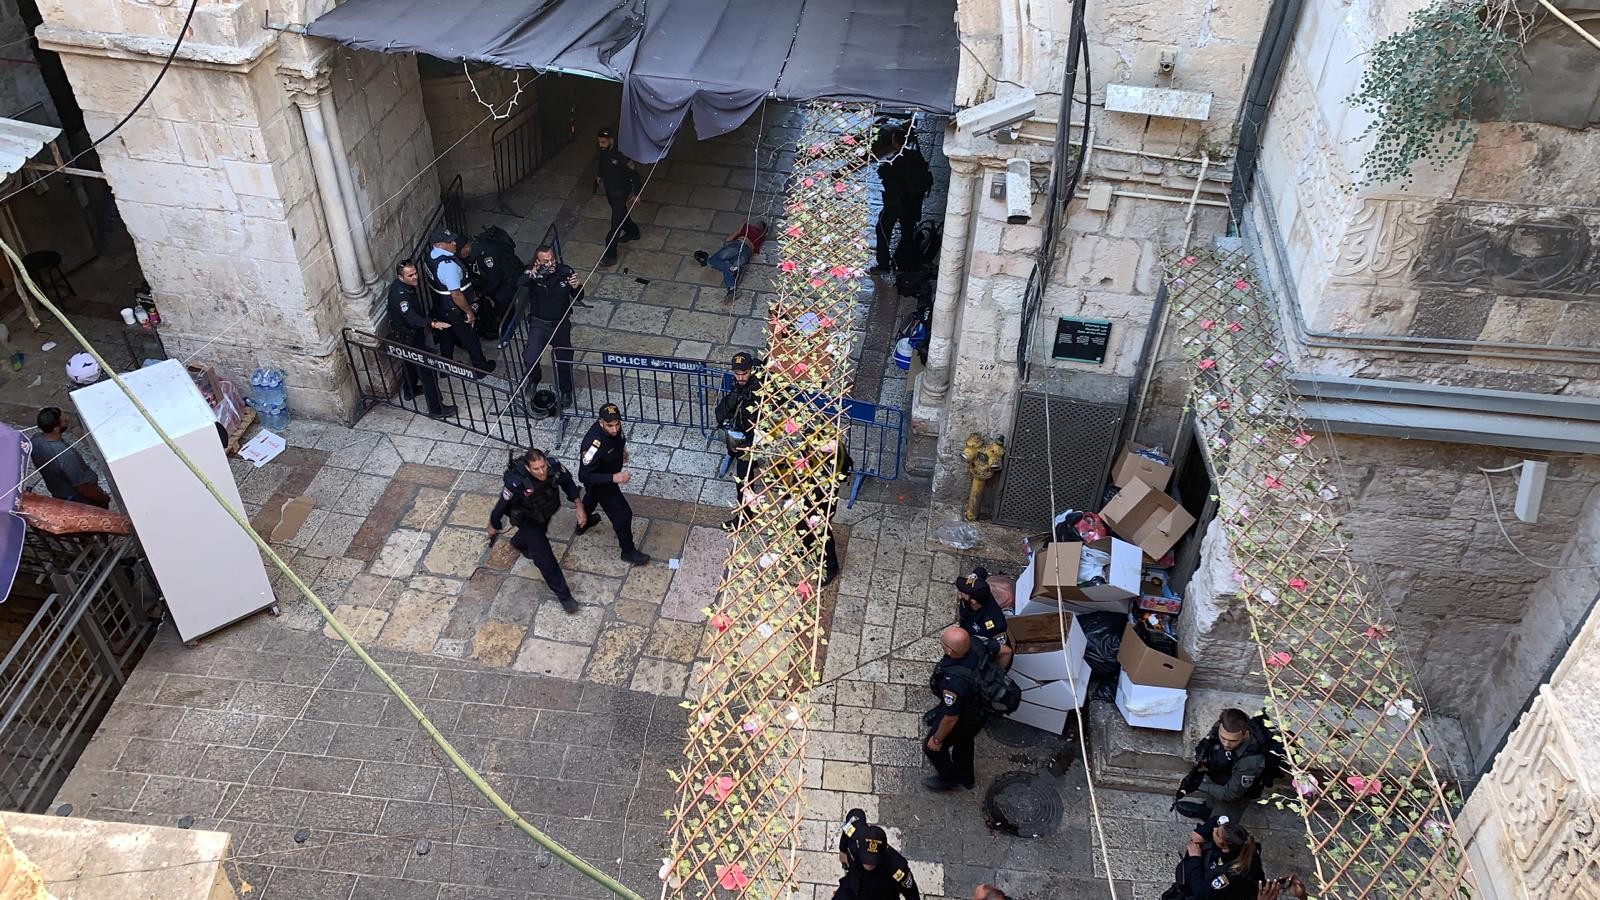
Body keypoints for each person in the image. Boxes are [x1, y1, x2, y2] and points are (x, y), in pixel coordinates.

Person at [487, 448, 586, 613]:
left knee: (537, 533)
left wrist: (579, 505)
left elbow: (568, 482)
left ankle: (518, 542)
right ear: (528, 468)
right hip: (527, 518)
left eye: (543, 466)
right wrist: (494, 524)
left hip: (546, 510)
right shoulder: (516, 482)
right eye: (536, 469)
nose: (541, 472)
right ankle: (564, 596)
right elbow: (502, 504)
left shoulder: (554, 467)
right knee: (544, 557)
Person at [575, 403, 651, 566]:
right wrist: (613, 478)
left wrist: (621, 452)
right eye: (610, 426)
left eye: (617, 424)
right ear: (601, 422)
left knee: (591, 498)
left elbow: (617, 441)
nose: (615, 429)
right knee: (623, 514)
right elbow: (584, 475)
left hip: (608, 475)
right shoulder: (593, 445)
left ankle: (583, 522)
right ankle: (628, 551)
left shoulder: (615, 430)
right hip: (601, 482)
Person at [385, 259, 458, 419]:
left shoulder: (403, 287)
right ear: (400, 277)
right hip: (408, 336)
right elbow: (411, 317)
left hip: (409, 335)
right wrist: (432, 323)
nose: (415, 277)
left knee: (409, 362)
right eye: (410, 275)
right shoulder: (401, 295)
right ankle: (436, 408)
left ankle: (410, 390)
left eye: (415, 273)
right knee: (427, 371)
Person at [513, 245, 581, 410]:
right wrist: (532, 274)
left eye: (552, 259)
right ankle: (534, 378)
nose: (550, 264)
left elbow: (579, 296)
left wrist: (577, 286)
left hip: (560, 324)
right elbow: (520, 282)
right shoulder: (532, 273)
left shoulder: (565, 271)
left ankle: (566, 391)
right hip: (539, 324)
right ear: (537, 261)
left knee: (564, 359)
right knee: (530, 356)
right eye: (546, 261)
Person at [1176, 708, 1273, 822]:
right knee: (1213, 783)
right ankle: (1208, 809)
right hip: (1226, 771)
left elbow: (1230, 794)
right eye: (1223, 738)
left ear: (1245, 734)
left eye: (1233, 741)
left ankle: (1217, 817)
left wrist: (1197, 784)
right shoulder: (1222, 726)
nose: (1226, 744)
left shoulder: (1251, 761)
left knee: (1220, 825)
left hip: (1239, 790)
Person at [422, 227, 497, 374]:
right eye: (449, 242)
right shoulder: (447, 266)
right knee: (470, 337)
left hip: (440, 306)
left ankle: (445, 367)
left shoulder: (430, 257)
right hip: (455, 309)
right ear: (439, 245)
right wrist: (469, 312)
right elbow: (456, 294)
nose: (454, 243)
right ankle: (480, 367)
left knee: (445, 336)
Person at [923, 626, 986, 792]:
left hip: (964, 715)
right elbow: (1005, 652)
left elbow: (951, 718)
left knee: (931, 749)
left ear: (950, 651)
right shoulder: (977, 644)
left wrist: (937, 740)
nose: (941, 644)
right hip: (979, 709)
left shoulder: (954, 682)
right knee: (964, 742)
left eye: (943, 643)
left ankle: (949, 779)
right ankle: (967, 778)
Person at [873, 128, 932, 274]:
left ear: (895, 142)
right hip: (912, 202)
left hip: (896, 202)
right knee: (907, 232)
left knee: (883, 230)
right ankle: (903, 263)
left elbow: (884, 174)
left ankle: (883, 264)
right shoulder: (916, 157)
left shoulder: (894, 163)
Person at [1162, 815, 1265, 900]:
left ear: (1224, 846)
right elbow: (1220, 818)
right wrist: (1201, 832)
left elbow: (1201, 894)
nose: (1214, 829)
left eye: (1216, 833)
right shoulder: (1242, 846)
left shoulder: (1230, 876)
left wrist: (1195, 859)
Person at [29, 407, 110, 507]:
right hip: (82, 501)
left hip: (59, 493)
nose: (67, 418)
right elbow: (83, 487)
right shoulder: (66, 456)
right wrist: (103, 498)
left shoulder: (35, 440)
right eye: (64, 420)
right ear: (56, 429)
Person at [832, 822, 920, 900]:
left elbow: (912, 894)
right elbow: (850, 822)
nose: (869, 865)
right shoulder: (855, 837)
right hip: (852, 888)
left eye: (873, 860)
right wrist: (842, 850)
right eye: (866, 859)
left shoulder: (896, 867)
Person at [594, 127, 641, 266]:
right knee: (621, 214)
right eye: (600, 142)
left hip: (621, 192)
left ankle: (610, 256)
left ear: (611, 140)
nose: (601, 145)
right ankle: (633, 231)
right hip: (610, 191)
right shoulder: (603, 151)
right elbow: (602, 163)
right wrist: (599, 175)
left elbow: (635, 175)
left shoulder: (622, 154)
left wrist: (637, 193)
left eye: (603, 142)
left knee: (615, 226)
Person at [465, 226, 522, 340]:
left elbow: (495, 280)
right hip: (500, 275)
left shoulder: (486, 254)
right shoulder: (475, 250)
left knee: (502, 300)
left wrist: (481, 293)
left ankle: (507, 330)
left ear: (467, 247)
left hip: (510, 277)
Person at [713, 351, 761, 482]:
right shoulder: (737, 383)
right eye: (737, 374)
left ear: (751, 370)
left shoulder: (758, 386)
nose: (740, 378)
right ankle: (732, 453)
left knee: (743, 475)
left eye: (744, 373)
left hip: (752, 432)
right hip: (738, 427)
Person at [694, 220, 768, 300]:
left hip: (738, 245)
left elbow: (728, 239)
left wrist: (740, 227)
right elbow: (755, 253)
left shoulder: (748, 227)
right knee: (732, 267)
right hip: (746, 252)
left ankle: (709, 261)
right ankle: (731, 289)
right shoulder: (760, 236)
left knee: (715, 260)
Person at [955, 566, 1012, 669]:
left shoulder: (996, 624)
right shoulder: (979, 590)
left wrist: (996, 672)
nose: (960, 593)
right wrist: (973, 577)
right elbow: (980, 570)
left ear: (973, 601)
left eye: (963, 592)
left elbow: (1004, 651)